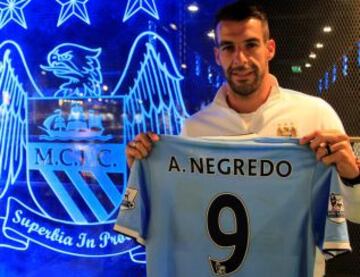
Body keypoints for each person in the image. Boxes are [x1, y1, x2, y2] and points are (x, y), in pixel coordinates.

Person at [124, 0, 360, 275]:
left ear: (269, 49)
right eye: (228, 48)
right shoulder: (195, 129)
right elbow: (183, 218)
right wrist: (145, 171)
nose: (240, 59)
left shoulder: (316, 115)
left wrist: (352, 176)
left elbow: (355, 215)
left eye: (251, 45)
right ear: (217, 55)